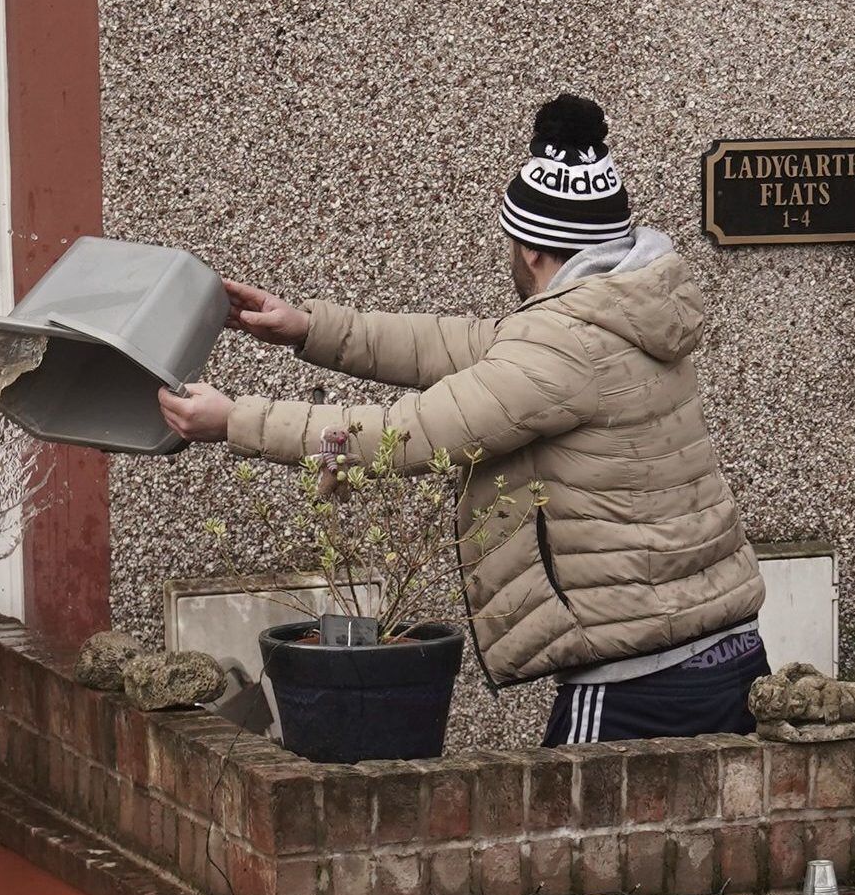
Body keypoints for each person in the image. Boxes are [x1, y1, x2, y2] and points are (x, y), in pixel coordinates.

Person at [156, 95, 770, 746]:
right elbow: (456, 345)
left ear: (534, 251)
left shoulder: (564, 349)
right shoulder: (618, 315)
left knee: (571, 844)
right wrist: (308, 327)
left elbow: (410, 433)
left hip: (641, 680)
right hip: (717, 651)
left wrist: (235, 421)